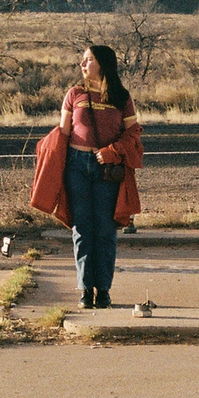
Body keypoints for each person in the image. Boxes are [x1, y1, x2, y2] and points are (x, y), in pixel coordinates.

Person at [48, 45, 143, 309]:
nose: (83, 64)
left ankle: (103, 290)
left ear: (102, 63)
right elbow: (63, 134)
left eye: (88, 60)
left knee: (105, 229)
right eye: (82, 60)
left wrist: (113, 151)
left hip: (107, 170)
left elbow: (133, 134)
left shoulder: (121, 97)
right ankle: (84, 289)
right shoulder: (74, 94)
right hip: (76, 165)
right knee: (81, 228)